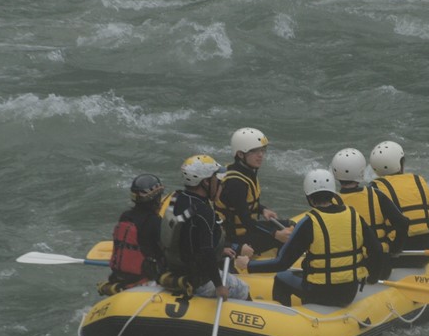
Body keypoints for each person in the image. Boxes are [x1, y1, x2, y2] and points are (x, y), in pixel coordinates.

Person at [235, 169, 383, 307]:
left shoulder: (309, 222)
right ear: (333, 194)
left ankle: (287, 320)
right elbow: (376, 250)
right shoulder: (354, 216)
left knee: (281, 278)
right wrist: (372, 278)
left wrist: (249, 265)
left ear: (309, 198)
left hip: (318, 293)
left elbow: (282, 264)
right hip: (349, 292)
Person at [159, 155, 251, 301]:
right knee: (243, 289)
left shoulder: (177, 198)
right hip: (198, 280)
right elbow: (206, 251)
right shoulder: (204, 212)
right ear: (206, 182)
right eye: (216, 179)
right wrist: (219, 286)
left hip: (174, 271)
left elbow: (186, 236)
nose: (219, 183)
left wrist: (221, 248)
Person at [330, 147, 409, 279]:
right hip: (380, 266)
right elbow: (402, 222)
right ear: (362, 171)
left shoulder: (332, 202)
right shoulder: (376, 195)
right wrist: (395, 249)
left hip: (348, 268)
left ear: (335, 173)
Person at [215, 127, 292, 255]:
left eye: (262, 150)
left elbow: (242, 204)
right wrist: (275, 234)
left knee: (290, 225)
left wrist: (263, 209)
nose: (260, 155)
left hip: (246, 231)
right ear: (240, 154)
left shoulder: (245, 171)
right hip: (236, 239)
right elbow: (247, 222)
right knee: (283, 237)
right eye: (254, 151)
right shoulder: (236, 183)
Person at [368, 140, 429, 266]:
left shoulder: (374, 188)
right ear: (400, 163)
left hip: (395, 256)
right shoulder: (418, 181)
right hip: (425, 253)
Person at [98, 173, 166, 296]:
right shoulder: (154, 221)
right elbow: (163, 251)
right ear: (155, 198)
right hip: (144, 280)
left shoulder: (125, 216)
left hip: (118, 278)